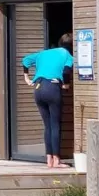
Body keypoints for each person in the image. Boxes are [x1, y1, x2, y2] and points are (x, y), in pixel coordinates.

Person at [22, 33, 76, 169]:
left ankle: (49, 160)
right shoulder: (67, 55)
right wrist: (66, 85)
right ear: (71, 46)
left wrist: (26, 78)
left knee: (48, 126)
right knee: (55, 125)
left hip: (38, 87)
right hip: (52, 88)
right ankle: (57, 161)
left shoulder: (43, 53)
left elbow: (25, 60)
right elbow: (66, 71)